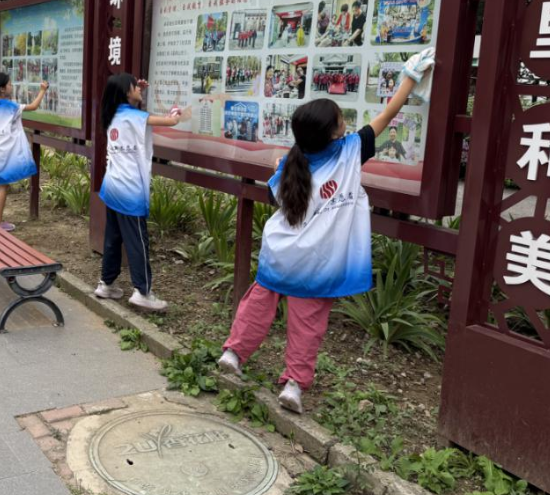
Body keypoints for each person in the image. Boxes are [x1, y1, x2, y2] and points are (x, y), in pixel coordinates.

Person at [217, 61, 430, 413]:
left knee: (258, 304)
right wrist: (409, 77)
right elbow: (389, 113)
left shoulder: (290, 162)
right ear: (334, 133)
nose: (346, 123)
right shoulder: (351, 150)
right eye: (341, 120)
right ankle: (294, 385)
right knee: (308, 323)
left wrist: (276, 168)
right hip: (317, 262)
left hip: (280, 253)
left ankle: (234, 353)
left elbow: (275, 196)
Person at [94, 73, 182, 311]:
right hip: (129, 189)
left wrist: (136, 93)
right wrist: (176, 112)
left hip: (113, 185)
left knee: (113, 238)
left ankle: (106, 284)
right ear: (126, 92)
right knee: (138, 241)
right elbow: (170, 121)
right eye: (135, 87)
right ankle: (142, 292)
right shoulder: (133, 116)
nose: (140, 89)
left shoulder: (113, 114)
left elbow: (138, 123)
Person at [0, 71, 47, 231]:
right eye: (9, 84)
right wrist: (43, 90)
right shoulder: (11, 107)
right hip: (3, 154)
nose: (11, 86)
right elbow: (33, 106)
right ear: (2, 89)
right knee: (3, 186)